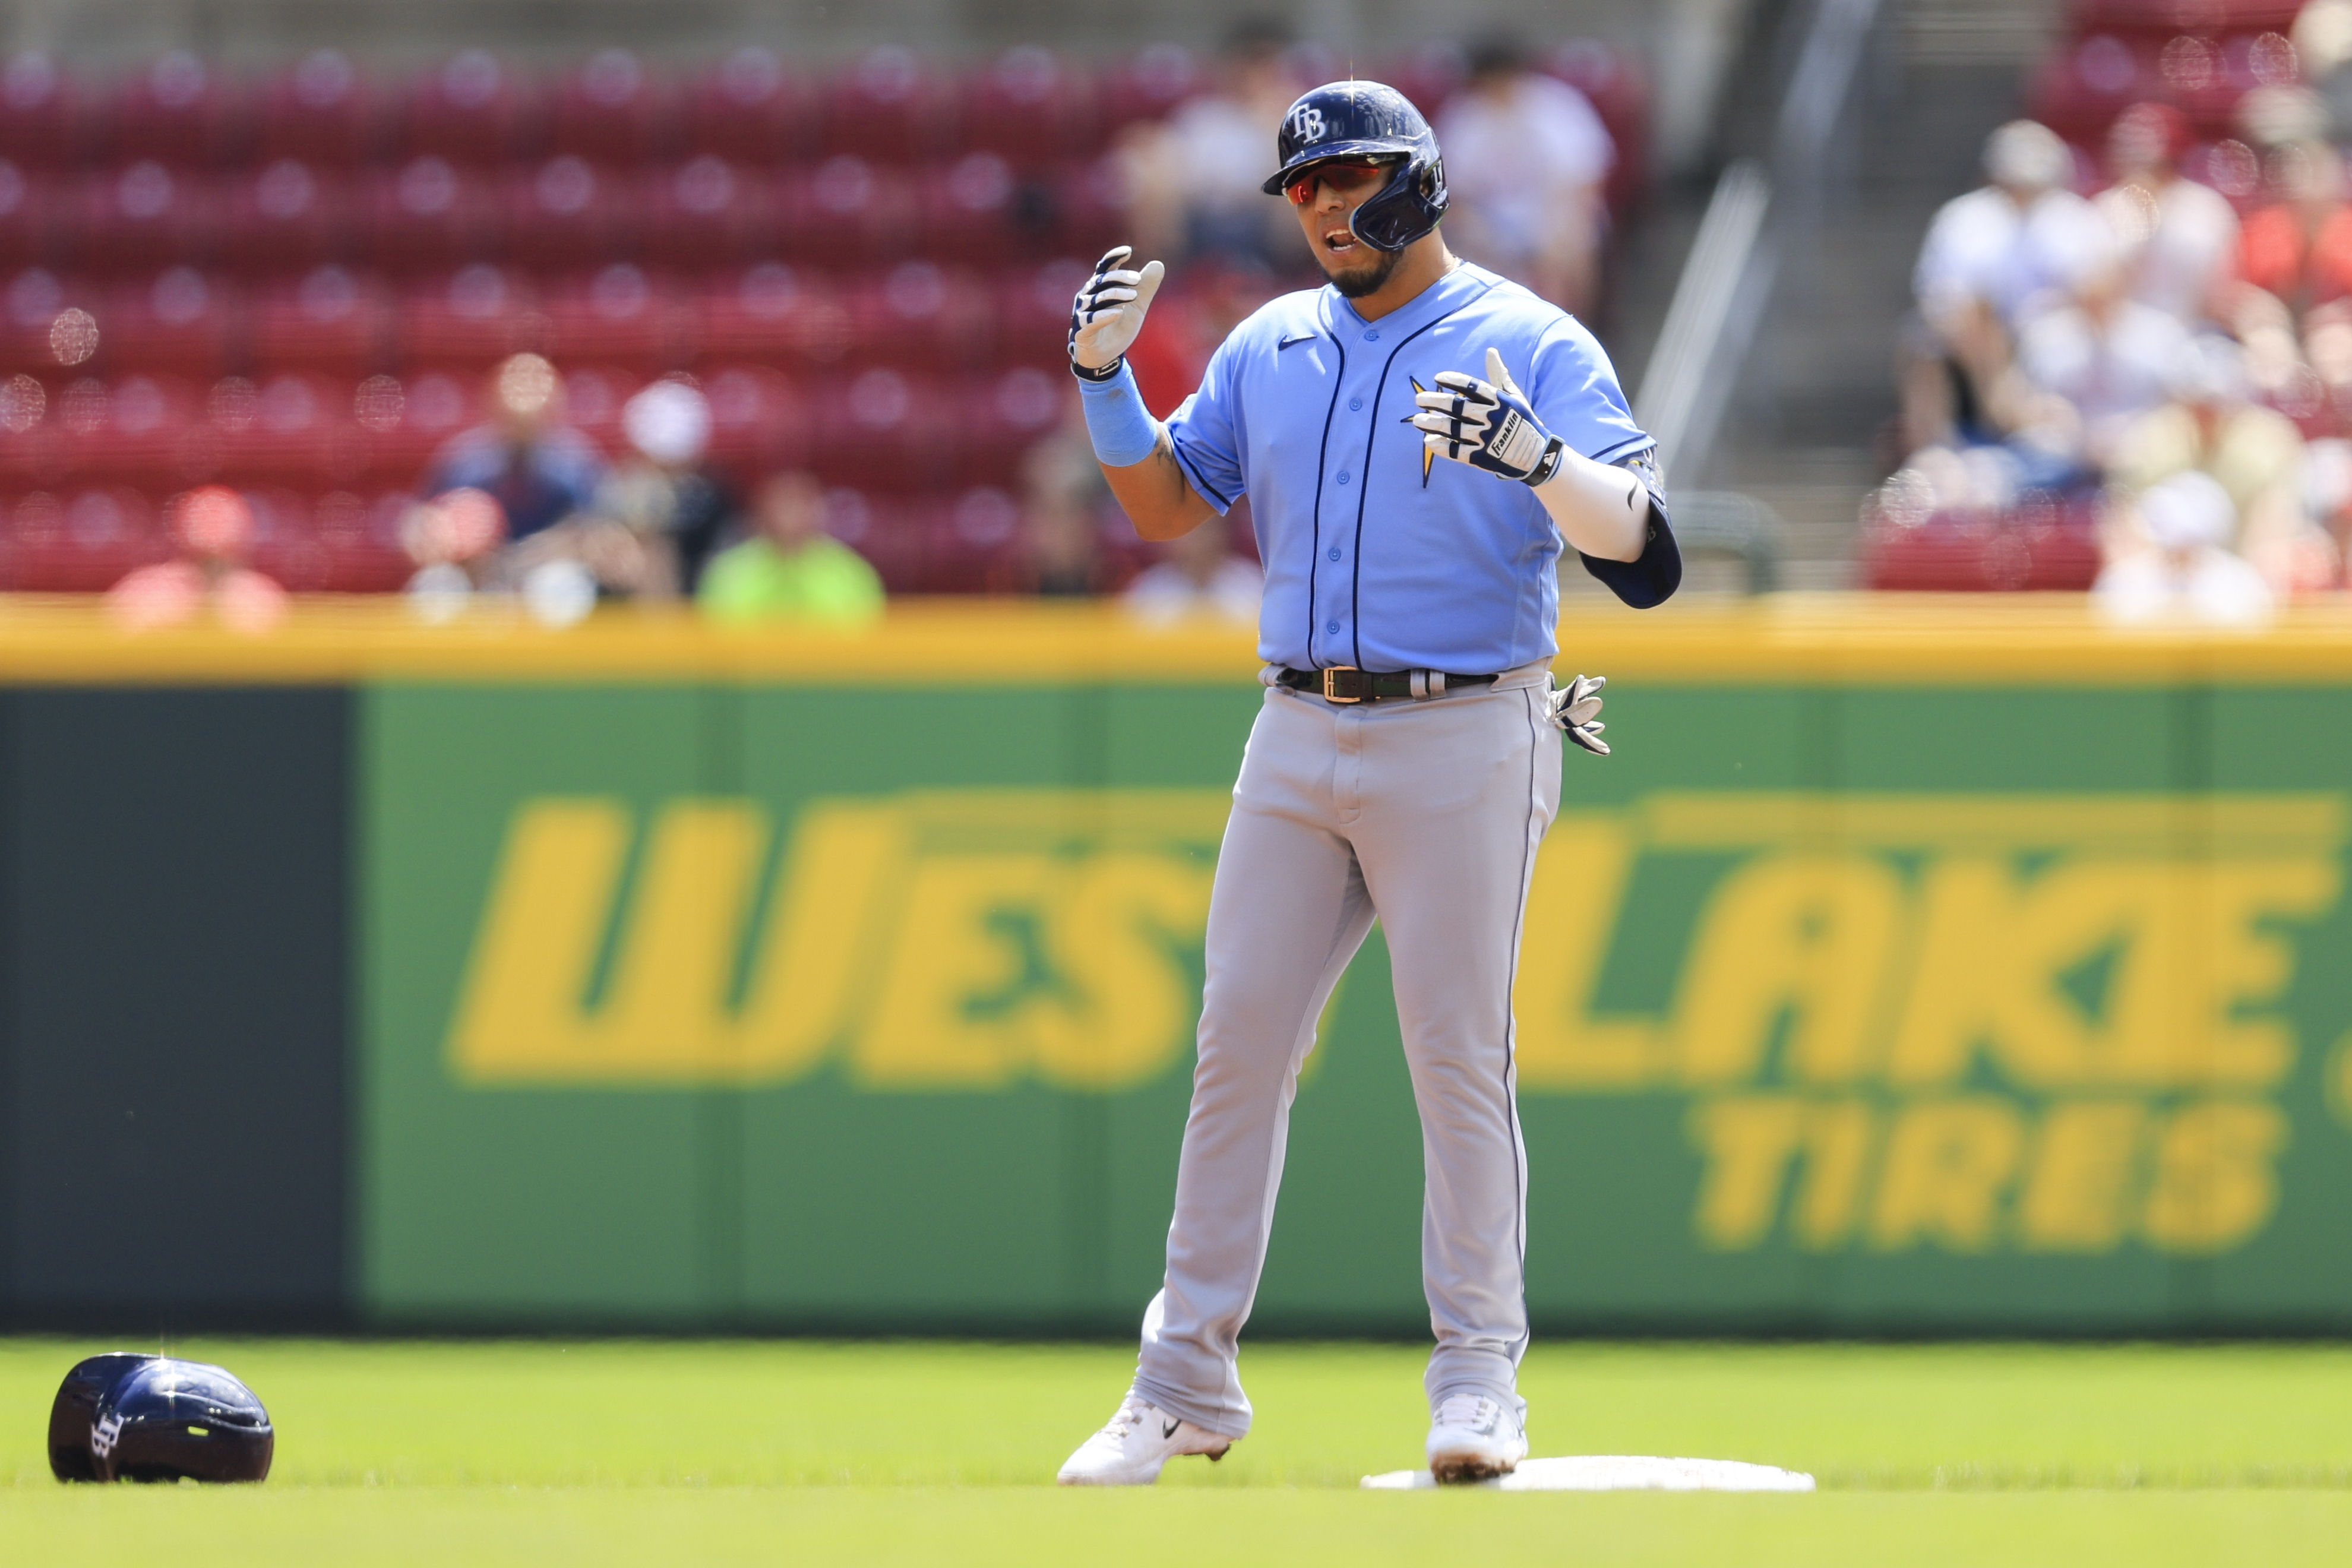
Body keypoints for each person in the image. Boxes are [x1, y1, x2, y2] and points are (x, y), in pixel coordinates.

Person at [1054, 80, 1677, 1488]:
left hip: (1469, 720)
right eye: (1306, 189)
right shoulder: (1272, 342)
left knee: (1455, 1056)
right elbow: (1166, 507)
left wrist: (1538, 459)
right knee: (1236, 1051)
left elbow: (1643, 553)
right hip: (1292, 722)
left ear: (1418, 180)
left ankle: (1475, 1380)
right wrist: (1106, 388)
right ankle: (1182, 1380)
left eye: (1350, 179)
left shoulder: (1524, 337)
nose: (1327, 207)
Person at [1902, 121, 2111, 454]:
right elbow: (1945, 300)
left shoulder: (2074, 218)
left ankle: (2074, 442)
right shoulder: (1964, 217)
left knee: (2067, 339)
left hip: (2051, 336)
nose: (2022, 190)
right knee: (1924, 338)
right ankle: (1935, 450)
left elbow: (2097, 294)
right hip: (1980, 344)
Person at [1435, 34, 1615, 316]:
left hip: (1554, 214)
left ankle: (1571, 325)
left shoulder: (1557, 107)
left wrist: (1555, 232)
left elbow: (1585, 180)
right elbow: (1451, 193)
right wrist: (1485, 236)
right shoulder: (1464, 117)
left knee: (1574, 239)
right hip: (1492, 224)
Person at [1118, 19, 1303, 271]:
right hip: (1200, 225)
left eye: (1267, 63)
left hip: (1264, 230)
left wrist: (1275, 122)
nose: (1257, 73)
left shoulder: (1294, 115)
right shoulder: (1203, 116)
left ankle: (1282, 276)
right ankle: (1166, 277)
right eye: (1251, 61)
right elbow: (1174, 178)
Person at [422, 352, 607, 543]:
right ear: (494, 408)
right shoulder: (463, 461)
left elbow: (594, 528)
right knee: (438, 575)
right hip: (480, 563)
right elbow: (427, 522)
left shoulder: (577, 462)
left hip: (552, 561)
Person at [2092, 102, 2239, 328]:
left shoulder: (2205, 208)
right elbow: (2097, 294)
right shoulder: (2105, 207)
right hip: (2123, 336)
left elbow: (2219, 295)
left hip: (2194, 331)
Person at [592, 379, 738, 596]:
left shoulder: (711, 499)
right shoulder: (617, 492)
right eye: (660, 464)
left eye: (673, 465)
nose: (667, 473)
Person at [696, 470, 883, 625]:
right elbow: (718, 637)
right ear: (761, 510)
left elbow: (861, 639)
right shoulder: (728, 571)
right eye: (783, 503)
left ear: (819, 510)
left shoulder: (852, 573)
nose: (791, 514)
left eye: (801, 503)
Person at [2094, 468, 2272, 625]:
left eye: (2191, 545)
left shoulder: (2239, 579)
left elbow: (2253, 630)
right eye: (2174, 546)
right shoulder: (2125, 578)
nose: (2182, 552)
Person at [1122, 509, 1262, 624]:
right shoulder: (1147, 590)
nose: (1195, 540)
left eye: (1205, 530)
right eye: (1185, 531)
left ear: (1221, 533)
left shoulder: (1253, 584)